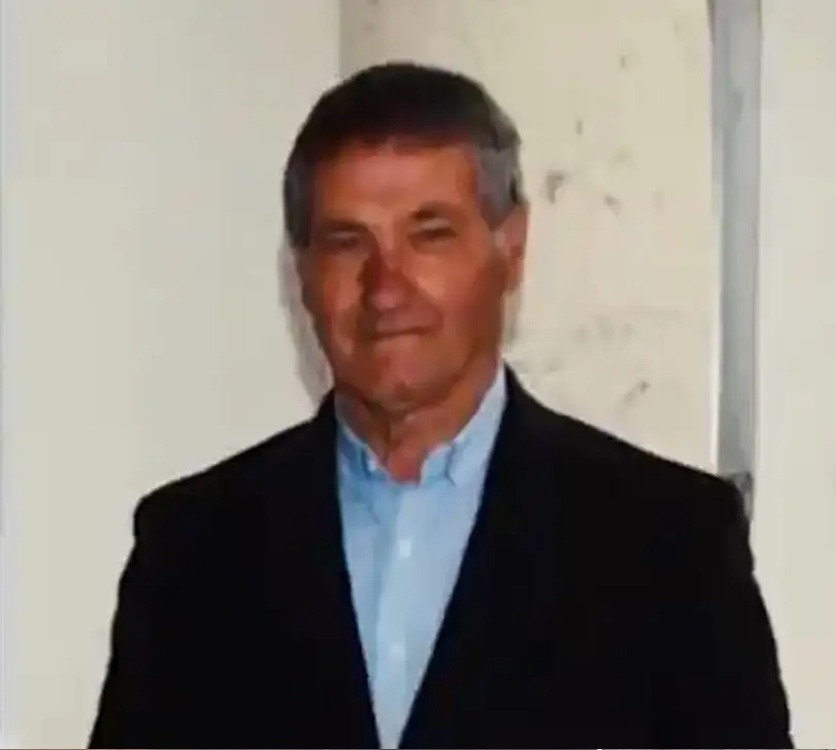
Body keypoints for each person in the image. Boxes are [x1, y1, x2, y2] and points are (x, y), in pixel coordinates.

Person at [89, 62, 791, 750]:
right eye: (346, 242)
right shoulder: (191, 551)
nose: (385, 288)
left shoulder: (669, 546)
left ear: (511, 249)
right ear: (302, 273)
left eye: (429, 234)